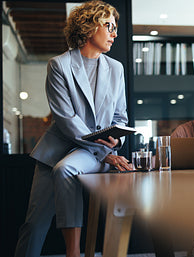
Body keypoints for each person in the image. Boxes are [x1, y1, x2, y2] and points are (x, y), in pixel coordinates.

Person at [15, 1, 132, 257]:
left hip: (92, 154)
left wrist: (115, 142)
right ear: (90, 27)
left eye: (115, 27)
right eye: (109, 26)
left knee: (66, 169)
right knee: (33, 226)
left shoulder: (116, 69)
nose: (114, 33)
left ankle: (74, 252)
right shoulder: (59, 65)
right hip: (58, 149)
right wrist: (105, 152)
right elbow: (67, 119)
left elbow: (120, 116)